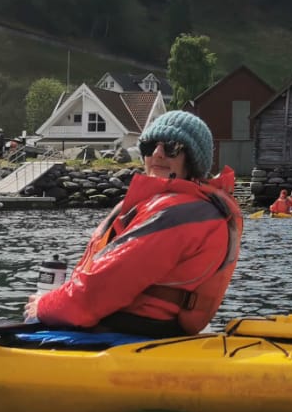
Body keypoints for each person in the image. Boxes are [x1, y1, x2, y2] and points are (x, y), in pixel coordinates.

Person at [26, 110, 242, 337]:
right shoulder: (176, 207)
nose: (158, 154)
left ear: (193, 161)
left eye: (171, 147)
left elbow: (104, 288)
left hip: (133, 330)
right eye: (150, 146)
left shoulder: (178, 213)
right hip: (135, 325)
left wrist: (44, 306)